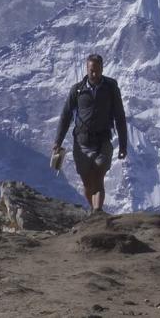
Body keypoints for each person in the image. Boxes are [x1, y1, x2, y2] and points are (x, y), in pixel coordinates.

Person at [53, 54, 128, 215]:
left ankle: (98, 211)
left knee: (99, 176)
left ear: (102, 69)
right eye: (91, 71)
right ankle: (95, 211)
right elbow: (66, 115)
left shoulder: (111, 88)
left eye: (97, 70)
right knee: (88, 183)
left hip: (103, 141)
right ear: (87, 69)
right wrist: (58, 141)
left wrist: (123, 144)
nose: (94, 74)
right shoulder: (77, 90)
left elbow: (120, 116)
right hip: (82, 142)